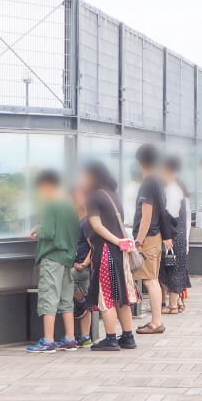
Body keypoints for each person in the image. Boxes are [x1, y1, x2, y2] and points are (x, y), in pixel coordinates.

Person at [80, 161, 139, 350]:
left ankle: (111, 338)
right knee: (120, 295)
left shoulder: (93, 198)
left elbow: (97, 226)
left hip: (106, 252)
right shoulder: (112, 195)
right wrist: (120, 242)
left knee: (105, 295)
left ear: (92, 177)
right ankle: (128, 336)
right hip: (120, 255)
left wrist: (115, 241)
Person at [26, 170, 81, 352]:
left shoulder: (50, 205)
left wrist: (38, 230)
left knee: (48, 297)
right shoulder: (69, 204)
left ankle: (48, 341)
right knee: (66, 299)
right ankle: (70, 338)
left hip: (52, 256)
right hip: (67, 257)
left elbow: (49, 232)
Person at [132, 144, 169, 335]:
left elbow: (146, 216)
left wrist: (138, 241)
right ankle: (156, 321)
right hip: (156, 236)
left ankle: (156, 322)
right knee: (152, 279)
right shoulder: (157, 182)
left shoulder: (148, 183)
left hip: (148, 237)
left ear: (140, 161)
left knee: (149, 280)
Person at [158, 156, 192, 313]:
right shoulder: (180, 189)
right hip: (180, 235)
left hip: (172, 235)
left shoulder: (171, 190)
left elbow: (169, 216)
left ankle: (172, 304)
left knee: (171, 268)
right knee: (177, 267)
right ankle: (177, 303)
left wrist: (166, 236)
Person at [70, 187, 95, 347]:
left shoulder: (86, 221)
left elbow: (93, 246)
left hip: (83, 268)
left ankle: (85, 334)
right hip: (77, 264)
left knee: (69, 280)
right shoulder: (77, 220)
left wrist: (85, 263)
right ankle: (84, 336)